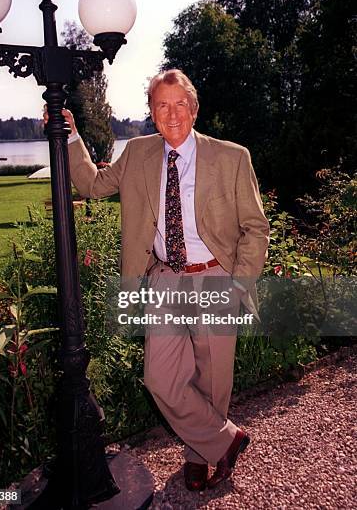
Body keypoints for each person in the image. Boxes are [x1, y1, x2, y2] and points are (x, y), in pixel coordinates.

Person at [51, 69, 269, 491]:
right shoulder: (137, 153)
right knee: (160, 377)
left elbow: (255, 228)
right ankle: (225, 439)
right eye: (161, 105)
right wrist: (72, 135)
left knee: (212, 375)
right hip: (166, 276)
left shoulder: (231, 157)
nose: (172, 114)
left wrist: (241, 283)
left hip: (215, 276)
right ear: (151, 113)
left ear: (194, 108)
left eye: (179, 104)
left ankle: (199, 454)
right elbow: (93, 186)